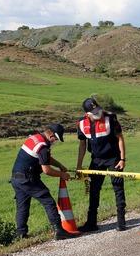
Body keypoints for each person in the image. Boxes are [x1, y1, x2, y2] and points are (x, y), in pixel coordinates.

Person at [10, 124, 76, 240]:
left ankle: (20, 234)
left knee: (22, 206)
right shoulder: (43, 146)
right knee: (48, 201)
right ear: (50, 134)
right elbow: (47, 170)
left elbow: (46, 159)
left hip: (16, 178)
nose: (55, 141)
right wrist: (62, 174)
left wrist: (60, 165)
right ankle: (59, 231)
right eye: (55, 138)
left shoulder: (36, 138)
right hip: (28, 179)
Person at [76, 97, 127, 232]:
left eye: (98, 109)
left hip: (113, 158)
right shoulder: (81, 124)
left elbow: (120, 138)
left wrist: (122, 159)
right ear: (87, 114)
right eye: (94, 112)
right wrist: (79, 166)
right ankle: (91, 223)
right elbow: (82, 146)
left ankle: (121, 222)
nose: (98, 113)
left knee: (118, 188)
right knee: (94, 190)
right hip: (96, 160)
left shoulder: (111, 118)